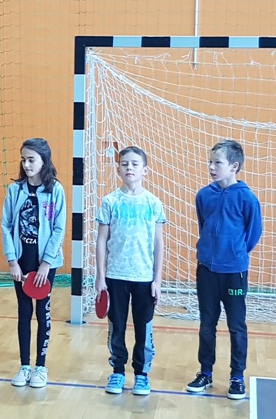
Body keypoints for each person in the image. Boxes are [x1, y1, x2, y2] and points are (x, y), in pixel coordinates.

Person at [186, 139, 262, 400]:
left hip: (234, 273)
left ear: (234, 166)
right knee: (207, 323)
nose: (211, 167)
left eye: (217, 162)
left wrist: (234, 254)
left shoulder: (247, 198)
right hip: (206, 271)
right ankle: (205, 372)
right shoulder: (203, 195)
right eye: (210, 162)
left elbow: (253, 233)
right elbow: (204, 225)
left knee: (236, 326)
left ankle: (237, 376)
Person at [95, 146, 164, 396]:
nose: (129, 168)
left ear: (145, 170)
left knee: (143, 328)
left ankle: (142, 374)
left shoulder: (153, 203)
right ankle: (117, 371)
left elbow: (158, 243)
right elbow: (101, 240)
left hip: (144, 278)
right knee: (117, 327)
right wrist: (100, 276)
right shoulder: (110, 201)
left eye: (135, 164)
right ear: (118, 170)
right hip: (115, 276)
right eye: (124, 164)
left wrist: (157, 279)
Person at [1, 138, 66, 389]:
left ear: (44, 161)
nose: (26, 165)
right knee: (24, 311)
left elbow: (59, 228)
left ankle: (40, 366)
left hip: (44, 263)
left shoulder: (55, 190)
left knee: (42, 311)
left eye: (31, 160)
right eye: (24, 159)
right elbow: (6, 225)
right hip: (21, 260)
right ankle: (24, 366)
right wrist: (12, 261)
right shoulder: (15, 190)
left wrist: (46, 264)